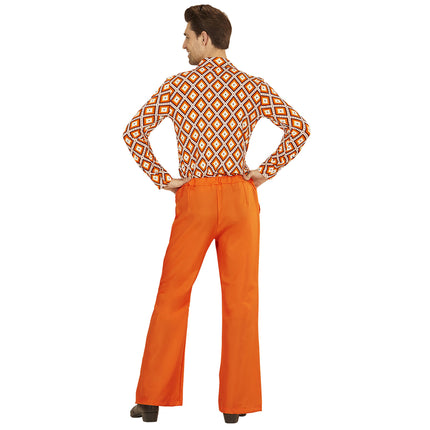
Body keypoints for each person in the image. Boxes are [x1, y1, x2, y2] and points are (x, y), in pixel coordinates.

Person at [122, 4, 311, 424]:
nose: (183, 44)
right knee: (242, 299)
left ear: (204, 38)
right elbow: (299, 128)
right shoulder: (252, 86)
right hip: (241, 198)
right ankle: (236, 404)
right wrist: (265, 171)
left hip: (196, 197)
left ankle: (151, 399)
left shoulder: (177, 85)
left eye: (187, 36)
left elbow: (133, 133)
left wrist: (163, 179)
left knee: (173, 294)